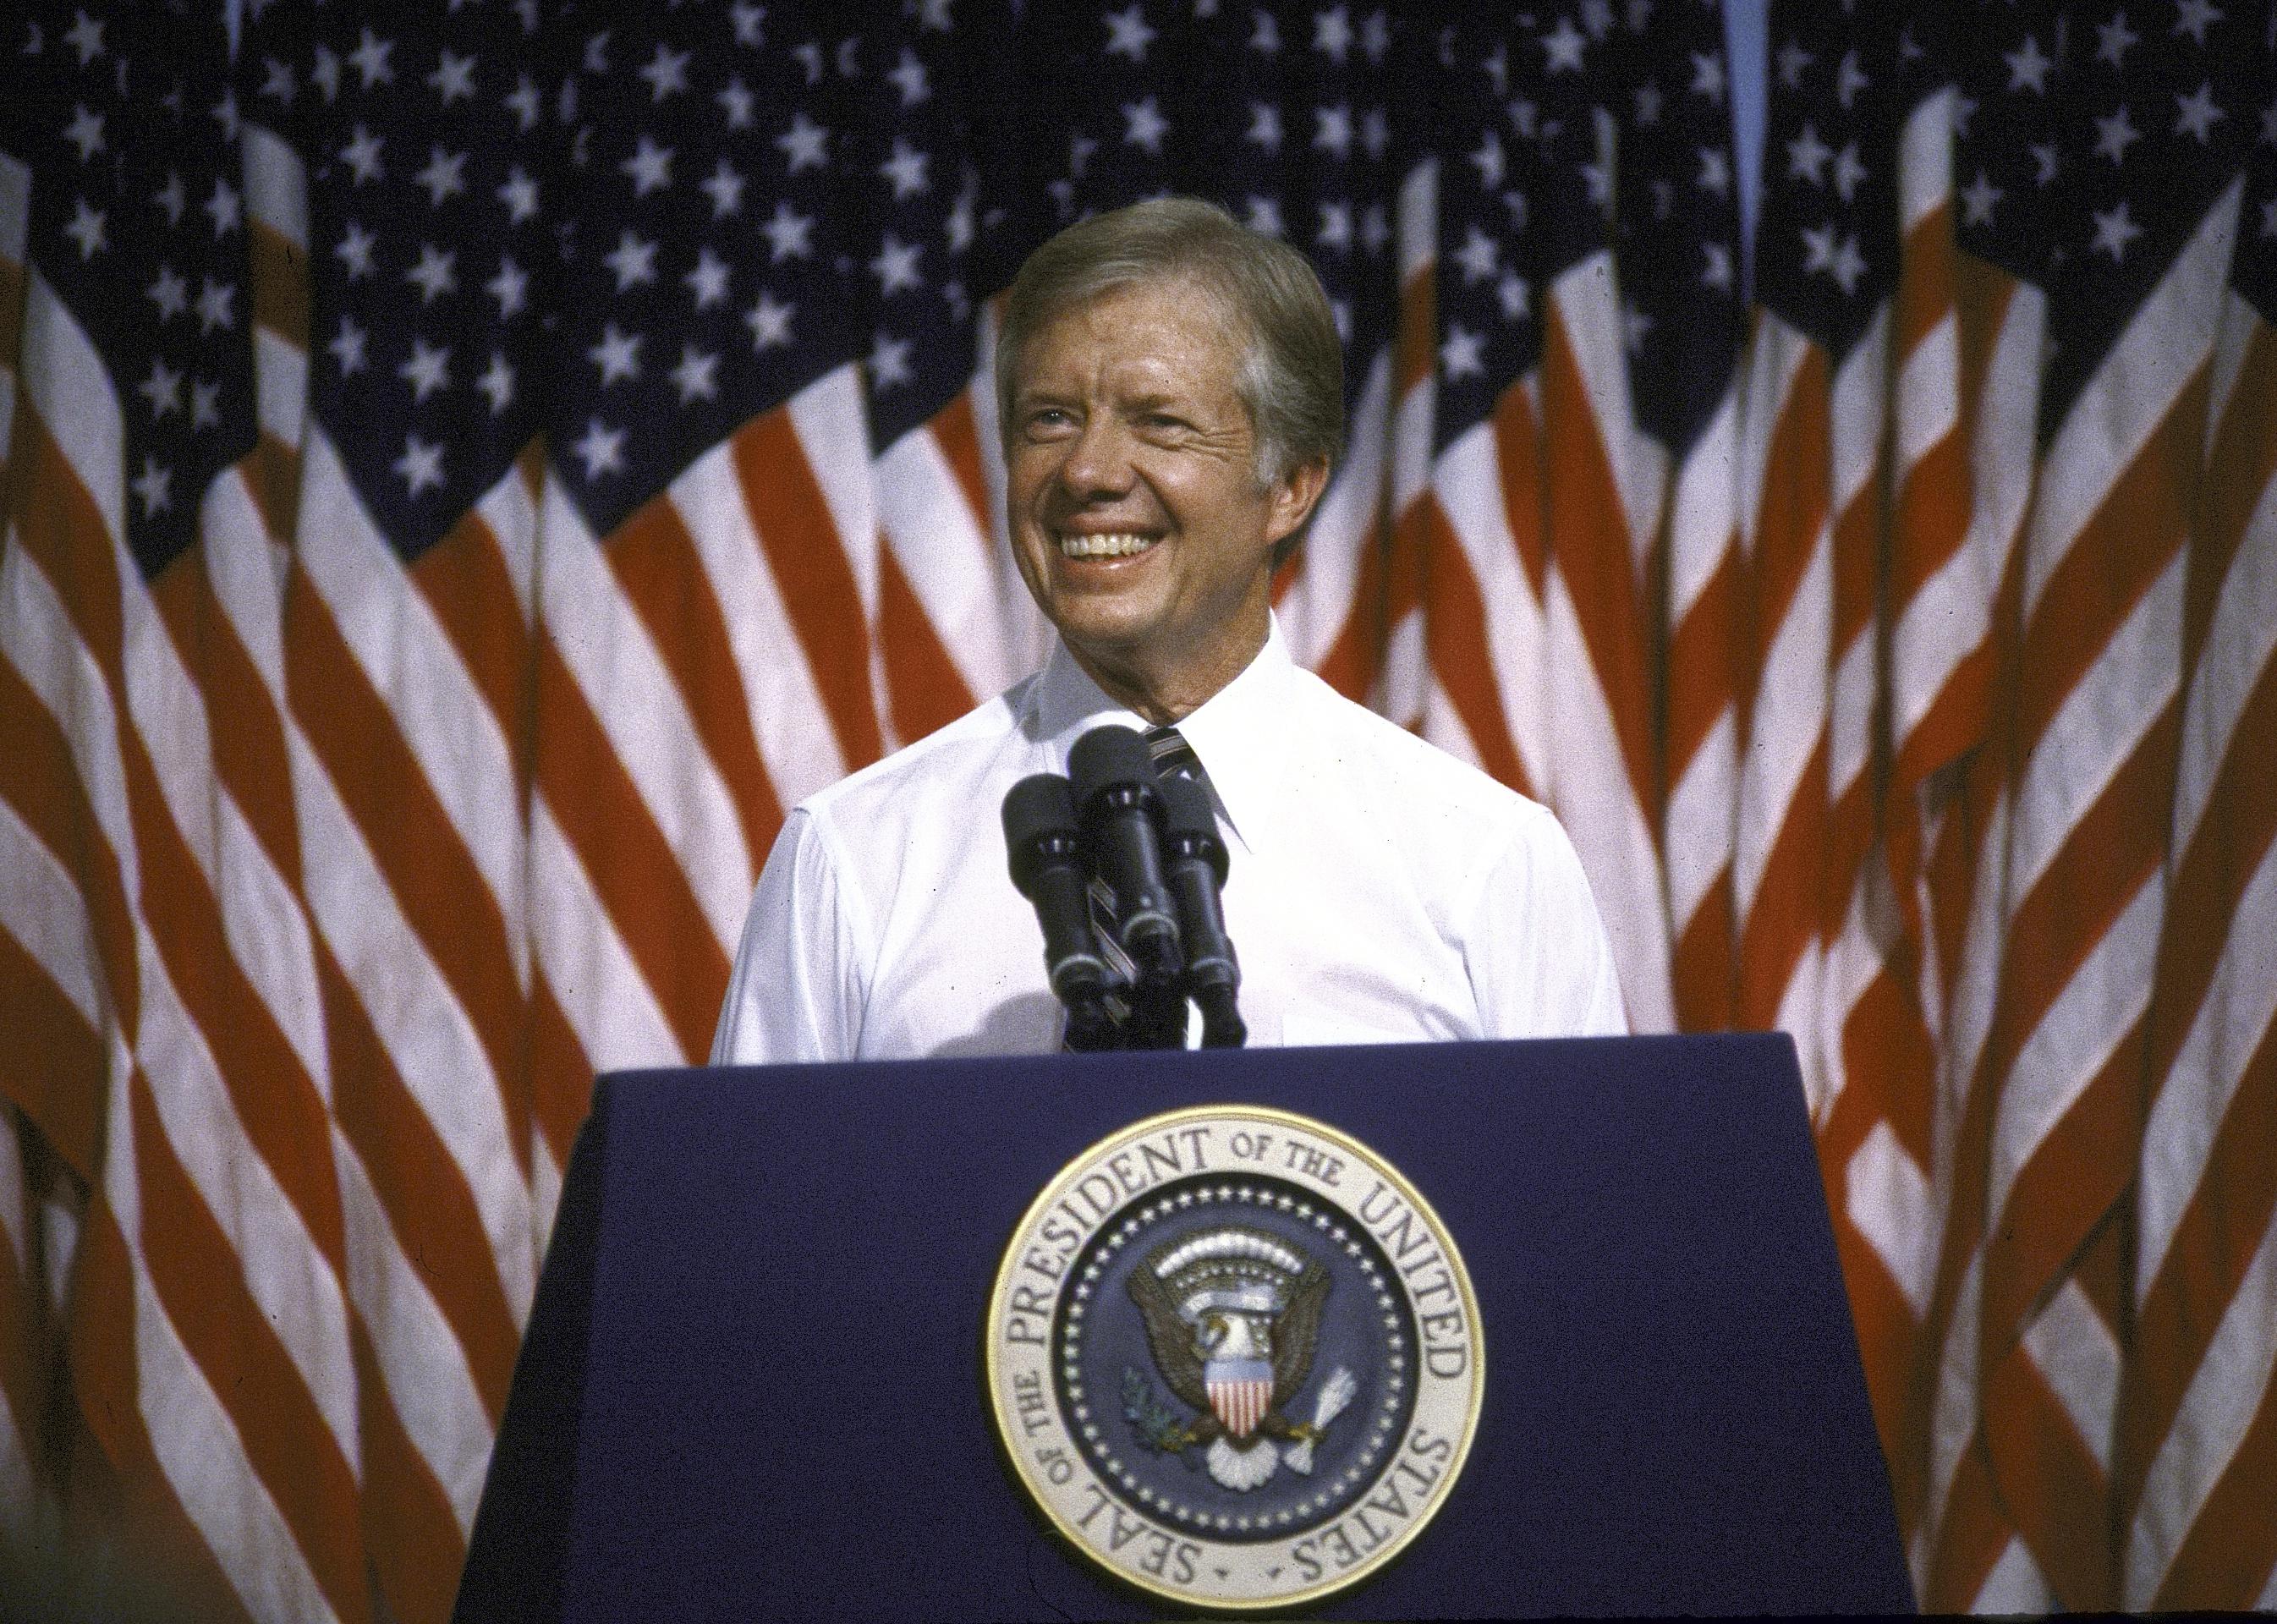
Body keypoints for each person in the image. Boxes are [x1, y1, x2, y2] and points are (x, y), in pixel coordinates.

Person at [713, 199, 1624, 1062]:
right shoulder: (852, 860)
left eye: (1160, 423)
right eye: (1050, 420)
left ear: (1290, 487)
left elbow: (1576, 1215)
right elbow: (750, 1218)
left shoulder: (1483, 861)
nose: (1088, 472)